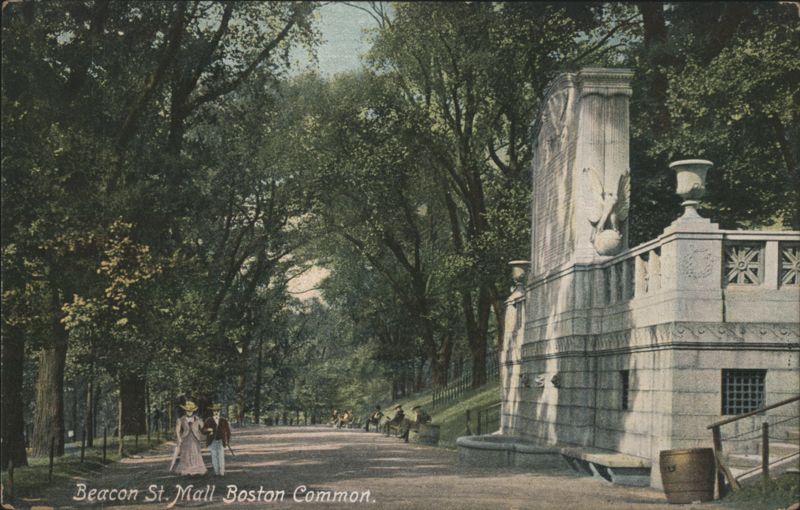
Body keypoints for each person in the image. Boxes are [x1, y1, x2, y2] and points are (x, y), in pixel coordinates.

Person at [172, 401, 207, 475]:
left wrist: (208, 430)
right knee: (186, 453)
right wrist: (179, 438)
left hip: (195, 438)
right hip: (186, 438)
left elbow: (203, 428)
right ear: (185, 411)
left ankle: (196, 469)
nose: (189, 412)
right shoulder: (181, 419)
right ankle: (186, 469)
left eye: (191, 411)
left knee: (195, 453)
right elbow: (177, 430)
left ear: (193, 411)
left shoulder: (197, 419)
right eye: (188, 410)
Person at [203, 403, 232, 476]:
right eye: (214, 411)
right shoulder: (208, 420)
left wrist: (227, 441)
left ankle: (222, 472)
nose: (216, 412)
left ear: (219, 412)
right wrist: (208, 430)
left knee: (221, 457)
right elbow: (203, 430)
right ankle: (216, 472)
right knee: (214, 457)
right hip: (212, 441)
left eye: (217, 411)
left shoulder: (223, 420)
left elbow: (228, 432)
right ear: (212, 412)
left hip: (221, 441)